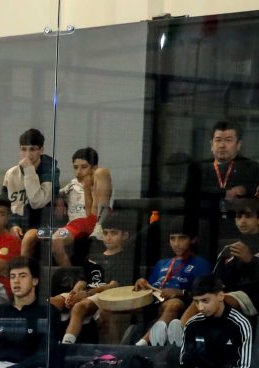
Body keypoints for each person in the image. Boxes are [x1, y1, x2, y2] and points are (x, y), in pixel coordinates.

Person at [21, 147, 113, 266]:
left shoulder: (100, 178)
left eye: (84, 167)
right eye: (75, 167)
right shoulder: (71, 185)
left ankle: (98, 227)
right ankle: (67, 274)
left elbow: (103, 189)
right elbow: (51, 194)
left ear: (94, 167)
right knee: (31, 236)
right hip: (74, 227)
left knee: (102, 172)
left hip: (96, 222)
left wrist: (89, 184)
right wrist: (58, 199)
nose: (78, 171)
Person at [56, 211, 137, 344]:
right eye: (105, 233)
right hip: (86, 292)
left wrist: (87, 293)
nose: (108, 237)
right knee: (53, 302)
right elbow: (83, 280)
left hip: (105, 295)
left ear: (125, 235)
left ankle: (67, 344)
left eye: (114, 233)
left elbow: (113, 285)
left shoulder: (125, 259)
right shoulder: (92, 257)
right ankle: (51, 343)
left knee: (79, 307)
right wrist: (73, 293)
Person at [182, 120, 259, 250]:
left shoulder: (251, 167)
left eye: (228, 140)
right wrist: (224, 193)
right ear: (211, 145)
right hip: (205, 226)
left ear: (239, 145)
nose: (222, 145)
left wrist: (246, 190)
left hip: (240, 229)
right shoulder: (198, 167)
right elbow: (190, 194)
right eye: (218, 140)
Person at [133, 230, 211, 347]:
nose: (176, 243)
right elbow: (151, 290)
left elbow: (206, 295)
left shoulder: (201, 264)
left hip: (182, 306)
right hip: (155, 306)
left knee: (174, 303)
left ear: (193, 239)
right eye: (172, 238)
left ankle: (142, 343)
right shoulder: (161, 264)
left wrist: (180, 292)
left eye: (182, 238)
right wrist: (143, 285)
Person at [1, 128, 62, 238]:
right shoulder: (11, 174)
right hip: (15, 226)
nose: (27, 154)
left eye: (32, 149)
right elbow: (4, 206)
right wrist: (12, 225)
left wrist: (29, 169)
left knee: (28, 238)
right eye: (23, 149)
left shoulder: (51, 172)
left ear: (41, 150)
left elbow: (36, 202)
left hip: (41, 228)